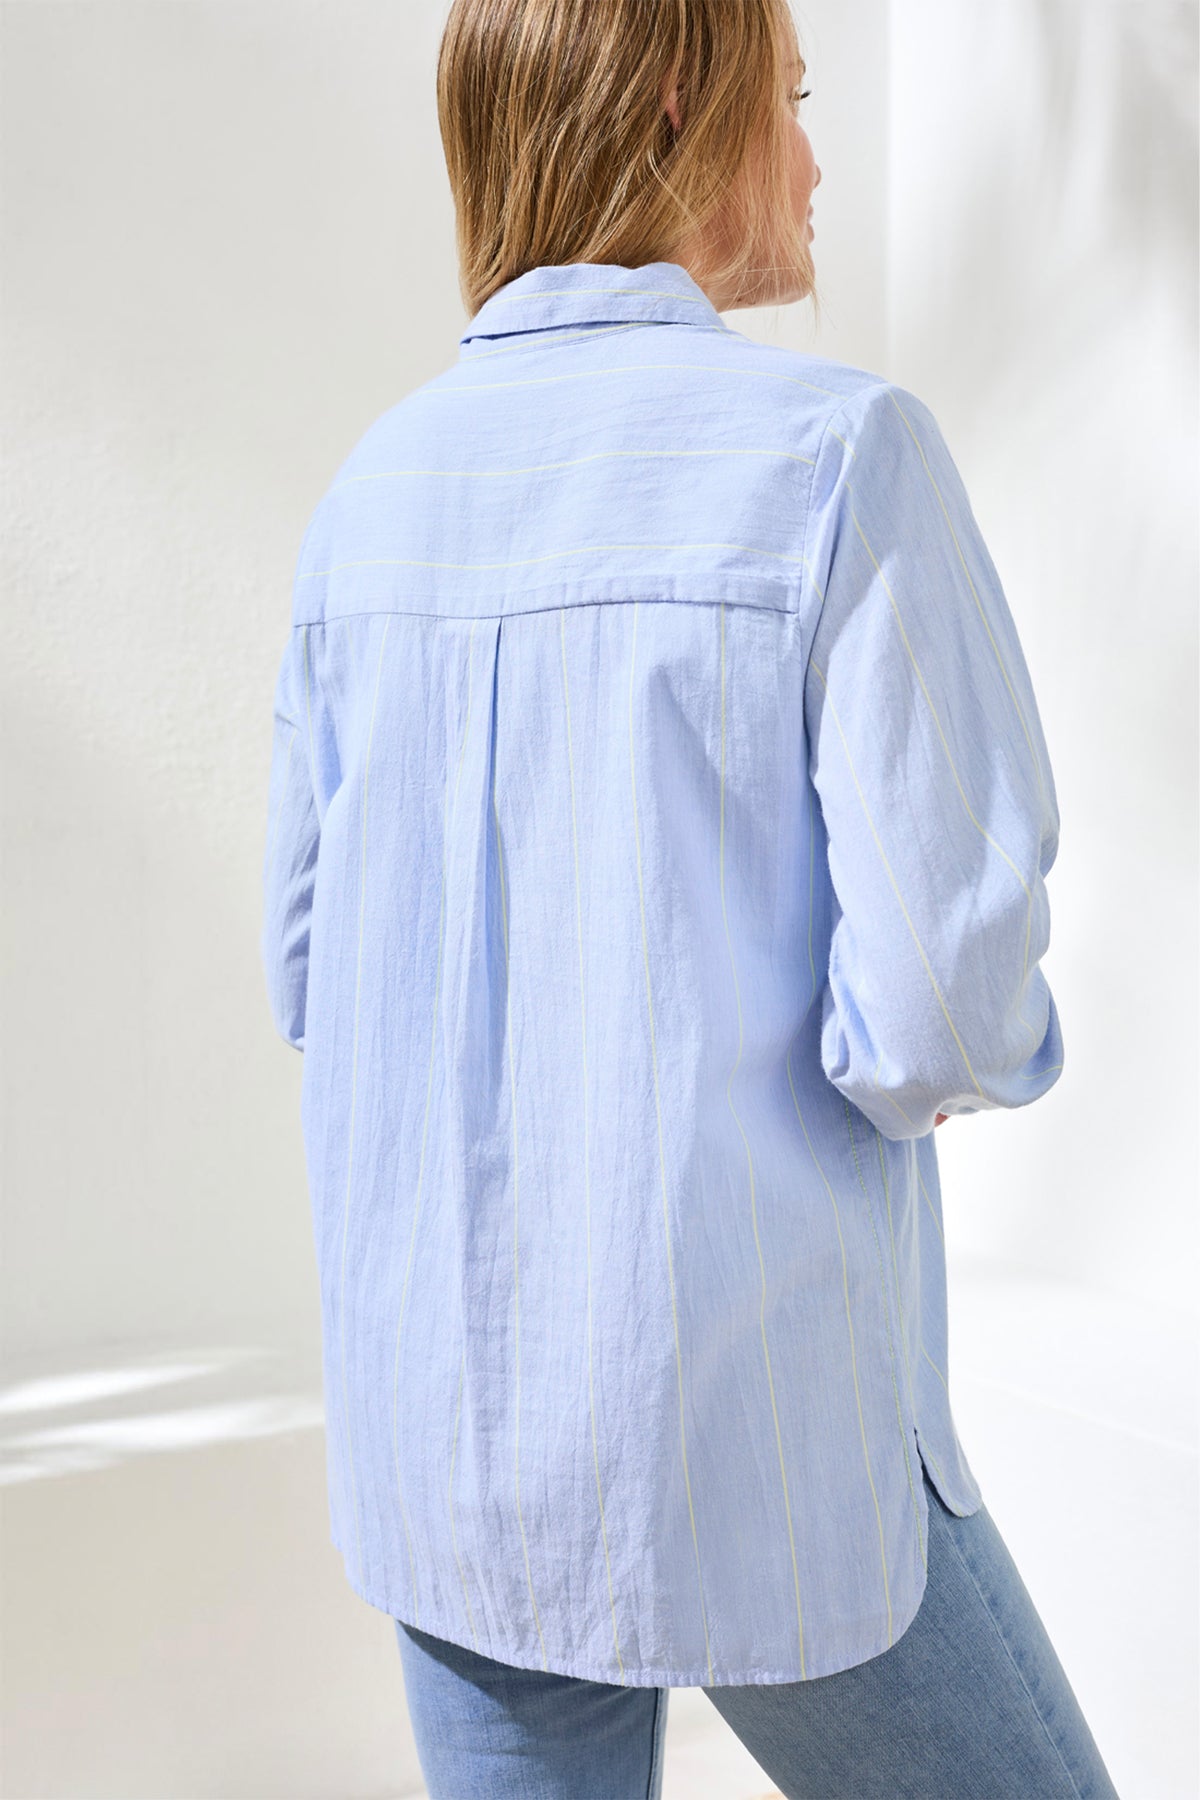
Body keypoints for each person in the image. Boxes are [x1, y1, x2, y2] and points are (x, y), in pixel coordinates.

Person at [259, 0, 1123, 1794]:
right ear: (675, 98)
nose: (812, 157)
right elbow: (945, 1010)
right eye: (788, 100)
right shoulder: (839, 456)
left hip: (450, 1444)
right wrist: (940, 1068)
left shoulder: (367, 500)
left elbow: (312, 970)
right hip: (758, 1430)